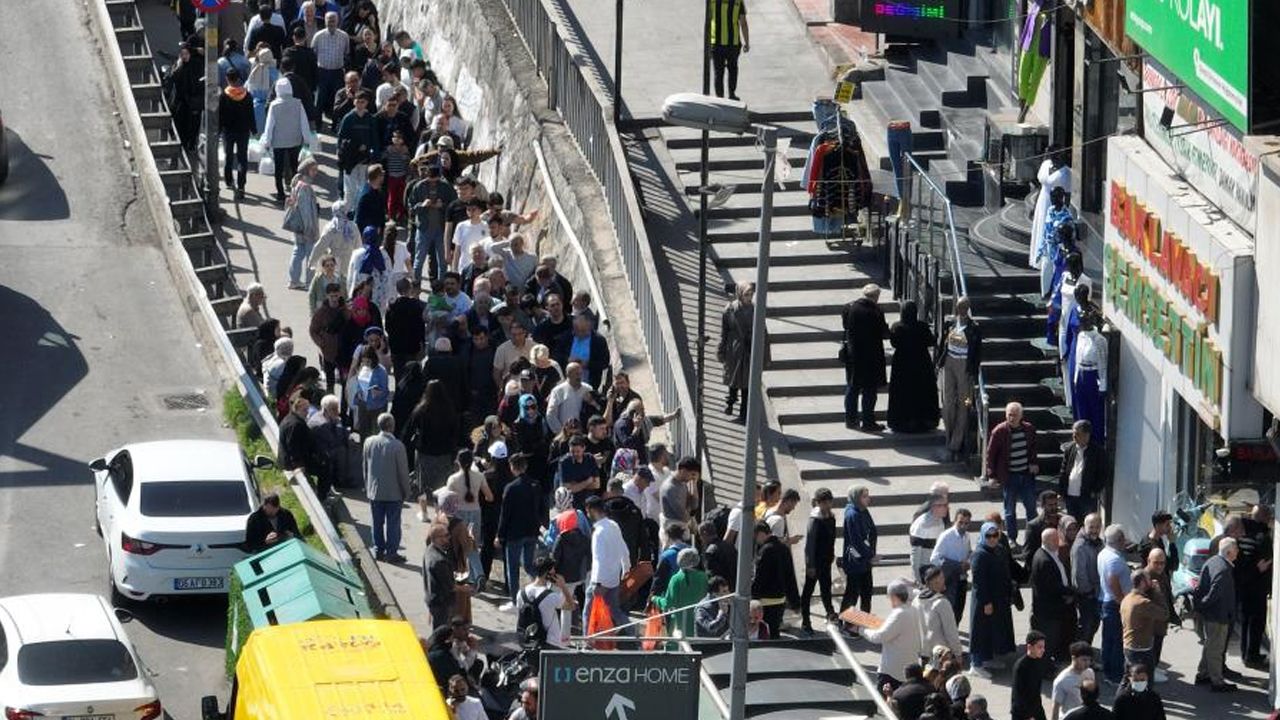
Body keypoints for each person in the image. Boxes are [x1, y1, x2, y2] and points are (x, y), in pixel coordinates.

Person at [935, 296, 982, 461]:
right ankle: (948, 436)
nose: (960, 310)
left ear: (968, 308)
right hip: (949, 363)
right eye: (959, 307)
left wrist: (972, 372)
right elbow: (942, 344)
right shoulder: (950, 323)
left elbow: (977, 352)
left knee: (965, 404)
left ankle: (956, 443)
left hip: (964, 367)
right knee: (948, 403)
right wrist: (938, 362)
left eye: (964, 307)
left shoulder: (974, 327)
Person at [985, 402, 1038, 545]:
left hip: (1026, 475)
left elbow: (1033, 448)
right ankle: (1012, 538)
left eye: (1015, 415)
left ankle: (1032, 537)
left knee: (1032, 508)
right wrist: (992, 475)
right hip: (1009, 476)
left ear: (1021, 416)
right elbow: (991, 454)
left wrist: (1034, 463)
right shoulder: (999, 431)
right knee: (1009, 510)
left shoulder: (1029, 429)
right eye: (1009, 415)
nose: (1011, 418)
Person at [496, 453, 544, 609]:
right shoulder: (536, 485)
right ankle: (541, 589)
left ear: (512, 467)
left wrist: (500, 535)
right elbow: (541, 509)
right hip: (531, 531)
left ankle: (515, 599)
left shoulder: (510, 488)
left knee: (513, 567)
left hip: (514, 533)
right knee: (529, 565)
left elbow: (505, 514)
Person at [363, 413, 411, 562]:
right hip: (394, 493)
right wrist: (406, 491)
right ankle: (391, 553)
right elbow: (403, 472)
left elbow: (365, 466)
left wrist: (367, 486)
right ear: (392, 426)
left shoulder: (369, 442)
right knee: (393, 524)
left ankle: (378, 550)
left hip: (374, 491)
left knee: (376, 522)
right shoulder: (397, 446)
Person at [841, 283, 889, 431]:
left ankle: (851, 419)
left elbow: (845, 326)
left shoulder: (849, 307)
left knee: (852, 387)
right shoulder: (876, 311)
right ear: (876, 297)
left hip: (853, 354)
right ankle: (868, 422)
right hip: (871, 356)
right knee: (869, 390)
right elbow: (883, 333)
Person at [969, 522, 1015, 677]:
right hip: (985, 600)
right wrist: (986, 602)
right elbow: (978, 582)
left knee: (992, 630)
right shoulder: (980, 554)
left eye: (995, 535)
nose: (992, 539)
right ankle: (975, 663)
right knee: (981, 630)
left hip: (999, 598)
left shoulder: (999, 550)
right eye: (989, 536)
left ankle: (987, 658)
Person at [887, 300, 941, 433]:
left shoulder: (897, 327)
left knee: (902, 393)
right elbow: (931, 341)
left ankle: (902, 422)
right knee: (921, 392)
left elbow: (894, 343)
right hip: (921, 363)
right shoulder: (922, 327)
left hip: (902, 365)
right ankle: (923, 420)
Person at [862, 579, 924, 692]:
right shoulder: (912, 610)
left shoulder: (899, 614)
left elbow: (879, 637)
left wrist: (862, 629)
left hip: (892, 670)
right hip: (908, 665)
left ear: (894, 597)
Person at [1194, 536, 1238, 692]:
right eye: (1235, 549)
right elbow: (1215, 592)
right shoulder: (1224, 569)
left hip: (1211, 615)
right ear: (1228, 552)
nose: (1237, 552)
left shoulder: (1212, 561)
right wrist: (1205, 604)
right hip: (1218, 616)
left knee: (1209, 645)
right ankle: (1217, 681)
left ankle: (1203, 674)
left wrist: (1202, 606)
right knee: (1216, 650)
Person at [584, 496, 631, 634]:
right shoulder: (613, 525)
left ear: (591, 510)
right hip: (614, 579)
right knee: (615, 610)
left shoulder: (598, 533)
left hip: (600, 580)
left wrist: (598, 584)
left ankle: (587, 641)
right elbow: (624, 549)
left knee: (588, 611)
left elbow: (599, 559)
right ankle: (633, 633)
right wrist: (625, 568)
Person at [261, 78, 310, 202]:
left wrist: (267, 141)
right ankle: (295, 191)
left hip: (278, 141)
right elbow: (304, 122)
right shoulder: (298, 103)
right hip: (295, 139)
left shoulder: (274, 105)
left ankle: (280, 193)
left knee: (279, 168)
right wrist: (307, 138)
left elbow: (269, 125)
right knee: (294, 167)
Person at [1030, 528, 1074, 664]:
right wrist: (1071, 591)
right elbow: (1053, 587)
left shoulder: (1047, 553)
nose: (1058, 542)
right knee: (1049, 640)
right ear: (1046, 541)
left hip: (1050, 608)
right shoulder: (1045, 560)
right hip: (1049, 610)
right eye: (1055, 540)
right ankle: (1044, 668)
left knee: (1053, 639)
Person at [799, 488, 837, 634]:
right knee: (808, 591)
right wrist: (810, 565)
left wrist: (831, 554)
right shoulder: (815, 520)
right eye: (825, 502)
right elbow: (810, 545)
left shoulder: (831, 517)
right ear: (819, 503)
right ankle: (806, 621)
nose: (828, 505)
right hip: (815, 562)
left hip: (826, 560)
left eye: (829, 501)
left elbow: (832, 539)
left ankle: (830, 613)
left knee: (826, 589)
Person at [516, 555, 575, 648]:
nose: (554, 572)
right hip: (550, 642)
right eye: (552, 570)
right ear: (547, 573)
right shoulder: (551, 596)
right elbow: (571, 606)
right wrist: (563, 587)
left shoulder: (521, 593)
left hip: (526, 641)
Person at [718, 282, 754, 423]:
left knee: (746, 384)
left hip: (748, 350)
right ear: (740, 294)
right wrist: (721, 349)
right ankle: (731, 402)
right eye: (746, 294)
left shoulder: (755, 310)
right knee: (733, 379)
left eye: (751, 294)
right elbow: (724, 331)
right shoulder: (730, 309)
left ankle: (744, 414)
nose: (749, 298)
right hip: (734, 349)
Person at [654, 547, 709, 640]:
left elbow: (668, 603)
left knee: (680, 648)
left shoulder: (676, 579)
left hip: (680, 624)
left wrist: (655, 599)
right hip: (699, 623)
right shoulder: (704, 577)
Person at [219, 68, 257, 200]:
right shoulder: (246, 95)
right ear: (238, 79)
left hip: (228, 132)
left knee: (228, 156)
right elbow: (251, 115)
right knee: (242, 158)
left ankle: (229, 181)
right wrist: (254, 130)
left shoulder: (224, 95)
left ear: (227, 79)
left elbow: (221, 116)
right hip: (243, 131)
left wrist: (218, 131)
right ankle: (241, 186)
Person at [285, 154, 322, 289]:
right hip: (306, 228)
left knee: (298, 252)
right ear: (307, 170)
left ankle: (294, 280)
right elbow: (306, 211)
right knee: (311, 256)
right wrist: (309, 229)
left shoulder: (297, 183)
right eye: (313, 169)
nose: (315, 172)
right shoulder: (305, 187)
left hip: (298, 227)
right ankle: (309, 282)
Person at [841, 485, 877, 617]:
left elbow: (872, 531)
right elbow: (856, 540)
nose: (868, 499)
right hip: (855, 562)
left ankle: (863, 622)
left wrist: (871, 553)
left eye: (868, 495)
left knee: (866, 593)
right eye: (864, 496)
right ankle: (845, 624)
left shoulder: (863, 511)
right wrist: (870, 555)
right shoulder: (852, 515)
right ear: (856, 497)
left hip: (865, 561)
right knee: (852, 594)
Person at [930, 508, 972, 623]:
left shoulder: (967, 536)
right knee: (949, 613)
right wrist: (957, 566)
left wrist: (969, 562)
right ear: (954, 521)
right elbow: (934, 559)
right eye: (960, 522)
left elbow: (969, 552)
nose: (963, 526)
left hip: (962, 580)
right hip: (948, 581)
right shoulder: (946, 536)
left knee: (958, 611)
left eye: (966, 523)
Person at [1120, 569, 1166, 672]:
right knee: (1145, 680)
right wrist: (1157, 592)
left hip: (1129, 645)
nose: (1151, 581)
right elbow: (1164, 614)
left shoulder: (1127, 598)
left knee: (1128, 678)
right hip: (1141, 649)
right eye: (1148, 579)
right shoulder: (1142, 603)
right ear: (1142, 582)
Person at [1057, 420, 1105, 520]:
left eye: (1077, 434)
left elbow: (1103, 474)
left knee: (1087, 523)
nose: (1074, 436)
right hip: (1070, 495)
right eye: (1073, 433)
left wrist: (1095, 491)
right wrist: (1061, 491)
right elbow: (1063, 470)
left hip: (1086, 496)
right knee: (1072, 524)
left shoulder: (1097, 451)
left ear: (1087, 435)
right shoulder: (1070, 448)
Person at [914, 566, 963, 658]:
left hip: (923, 652)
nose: (944, 580)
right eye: (942, 577)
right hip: (941, 654)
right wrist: (958, 653)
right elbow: (951, 632)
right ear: (934, 581)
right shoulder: (942, 603)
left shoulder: (916, 600)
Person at [707, 0, 749, 100]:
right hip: (733, 44)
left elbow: (708, 21)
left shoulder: (712, 1)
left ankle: (720, 98)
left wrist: (707, 44)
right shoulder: (738, 1)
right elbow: (743, 23)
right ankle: (732, 94)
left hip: (716, 43)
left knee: (718, 72)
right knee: (733, 70)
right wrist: (747, 42)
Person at [1050, 642, 1095, 720]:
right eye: (1084, 660)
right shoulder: (1062, 680)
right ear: (1073, 658)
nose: (1087, 663)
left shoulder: (1090, 672)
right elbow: (1055, 708)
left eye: (1089, 660)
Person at [909, 494, 949, 582]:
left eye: (946, 505)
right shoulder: (922, 525)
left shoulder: (940, 521)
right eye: (942, 505)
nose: (946, 508)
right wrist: (918, 580)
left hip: (937, 568)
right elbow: (915, 556)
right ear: (933, 507)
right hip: (926, 571)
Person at [423, 523, 456, 628]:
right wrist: (467, 589)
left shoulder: (429, 550)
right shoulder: (439, 561)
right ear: (437, 538)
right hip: (441, 603)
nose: (449, 537)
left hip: (432, 598)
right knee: (442, 632)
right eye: (446, 535)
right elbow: (450, 586)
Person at [1011, 631, 1047, 720]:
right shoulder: (1021, 667)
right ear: (1029, 647)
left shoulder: (1038, 661)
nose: (1043, 650)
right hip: (1023, 713)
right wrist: (1028, 716)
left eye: (1043, 647)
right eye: (1039, 647)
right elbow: (1018, 694)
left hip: (1036, 708)